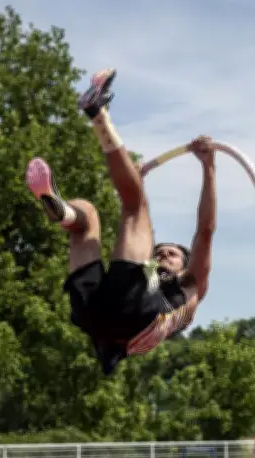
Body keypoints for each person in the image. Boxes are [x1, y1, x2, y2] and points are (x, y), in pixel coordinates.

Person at [25, 68, 216, 374]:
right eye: (160, 252)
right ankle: (62, 211)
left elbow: (205, 231)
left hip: (130, 319)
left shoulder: (190, 284)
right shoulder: (148, 275)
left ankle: (98, 113)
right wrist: (135, 183)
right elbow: (137, 235)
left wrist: (209, 169)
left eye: (171, 254)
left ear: (185, 266)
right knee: (86, 216)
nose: (162, 255)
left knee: (135, 206)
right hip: (98, 315)